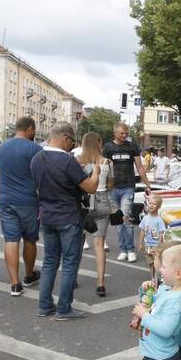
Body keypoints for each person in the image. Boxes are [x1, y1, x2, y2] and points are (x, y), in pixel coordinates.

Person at [30, 123, 100, 320]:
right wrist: (96, 171)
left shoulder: (36, 159)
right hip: (68, 217)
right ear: (65, 137)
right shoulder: (67, 161)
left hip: (47, 216)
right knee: (69, 264)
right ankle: (64, 309)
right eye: (72, 141)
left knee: (50, 262)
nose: (72, 145)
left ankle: (45, 306)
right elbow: (90, 188)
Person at [0, 117, 42, 296]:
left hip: (6, 199)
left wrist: (0, 199)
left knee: (11, 240)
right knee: (30, 239)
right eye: (34, 130)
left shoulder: (1, 148)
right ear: (30, 129)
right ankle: (29, 275)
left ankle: (15, 283)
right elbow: (40, 177)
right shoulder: (35, 149)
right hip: (29, 200)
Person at [104, 123, 150, 263]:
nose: (124, 135)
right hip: (113, 188)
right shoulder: (108, 148)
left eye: (126, 133)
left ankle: (130, 250)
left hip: (128, 187)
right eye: (122, 133)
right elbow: (104, 167)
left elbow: (140, 167)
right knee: (118, 220)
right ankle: (123, 249)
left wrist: (148, 185)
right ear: (115, 133)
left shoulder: (132, 147)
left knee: (126, 218)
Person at [77, 132, 114, 297]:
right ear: (99, 143)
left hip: (85, 205)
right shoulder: (107, 162)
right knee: (99, 245)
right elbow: (111, 184)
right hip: (103, 202)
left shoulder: (79, 162)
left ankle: (72, 278)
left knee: (79, 242)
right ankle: (101, 284)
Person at [138, 195, 166, 277]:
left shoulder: (159, 220)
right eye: (150, 203)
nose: (151, 205)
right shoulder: (145, 218)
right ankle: (153, 279)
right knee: (150, 264)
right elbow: (142, 230)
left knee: (157, 264)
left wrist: (159, 247)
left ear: (159, 206)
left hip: (156, 246)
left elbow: (161, 234)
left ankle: (159, 280)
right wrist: (140, 243)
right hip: (148, 246)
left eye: (154, 204)